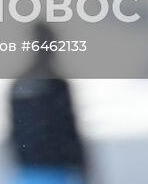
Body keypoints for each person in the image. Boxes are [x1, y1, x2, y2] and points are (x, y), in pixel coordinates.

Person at [8, 25, 90, 184]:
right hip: (54, 170)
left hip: (30, 170)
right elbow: (69, 131)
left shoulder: (19, 85)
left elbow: (14, 133)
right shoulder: (56, 85)